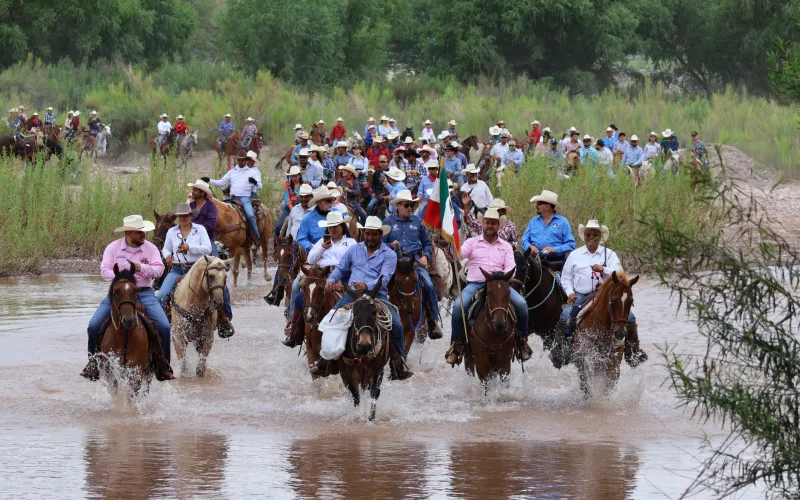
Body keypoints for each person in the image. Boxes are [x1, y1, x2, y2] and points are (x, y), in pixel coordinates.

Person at [83, 215, 174, 381]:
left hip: (144, 292)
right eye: (139, 232)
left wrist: (141, 268)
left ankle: (164, 366)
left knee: (164, 326)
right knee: (94, 325)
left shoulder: (151, 248)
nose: (143, 235)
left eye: (143, 231)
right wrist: (122, 280)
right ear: (129, 233)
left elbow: (159, 270)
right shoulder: (113, 248)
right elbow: (105, 270)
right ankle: (92, 365)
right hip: (119, 293)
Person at [325, 216, 415, 379]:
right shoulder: (354, 250)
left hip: (377, 294)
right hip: (352, 294)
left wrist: (367, 286)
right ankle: (325, 360)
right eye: (367, 234)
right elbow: (341, 268)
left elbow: (385, 278)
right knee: (330, 319)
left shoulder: (389, 254)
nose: (370, 237)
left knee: (397, 325)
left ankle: (398, 362)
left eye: (374, 234)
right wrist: (331, 279)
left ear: (380, 234)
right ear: (363, 233)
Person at [551, 219, 648, 368]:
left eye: (594, 235)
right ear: (584, 236)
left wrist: (604, 269)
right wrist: (570, 293)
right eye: (588, 234)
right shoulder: (575, 255)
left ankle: (633, 351)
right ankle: (561, 350)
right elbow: (566, 278)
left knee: (630, 317)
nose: (591, 237)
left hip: (605, 295)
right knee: (566, 316)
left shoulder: (609, 254)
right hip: (581, 295)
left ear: (599, 237)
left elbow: (620, 274)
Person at [446, 208, 531, 365]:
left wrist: (497, 277)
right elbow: (459, 254)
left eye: (493, 223)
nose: (490, 226)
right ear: (482, 224)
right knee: (458, 306)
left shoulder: (505, 246)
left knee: (522, 304)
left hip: (499, 284)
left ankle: (522, 342)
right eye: (487, 223)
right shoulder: (472, 242)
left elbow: (511, 270)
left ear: (498, 225)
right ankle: (455, 345)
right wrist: (451, 246)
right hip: (475, 284)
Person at [283, 211, 357, 349]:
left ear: (342, 227)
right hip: (320, 276)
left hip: (344, 277)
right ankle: (294, 333)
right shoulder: (322, 241)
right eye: (330, 227)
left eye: (336, 226)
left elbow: (355, 264)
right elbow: (311, 259)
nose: (333, 230)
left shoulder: (351, 242)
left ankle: (352, 337)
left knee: (354, 301)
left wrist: (341, 279)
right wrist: (322, 247)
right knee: (301, 297)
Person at [382, 190, 444, 339]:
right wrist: (391, 245)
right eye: (407, 205)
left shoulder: (418, 222)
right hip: (393, 263)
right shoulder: (387, 223)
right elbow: (381, 244)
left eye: (412, 205)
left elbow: (428, 244)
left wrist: (425, 256)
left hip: (414, 262)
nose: (410, 208)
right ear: (398, 205)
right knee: (380, 285)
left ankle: (432, 321)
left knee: (429, 286)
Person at [187, 179, 234, 336]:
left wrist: (194, 228)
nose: (193, 191)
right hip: (188, 241)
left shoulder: (211, 207)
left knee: (219, 278)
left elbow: (212, 225)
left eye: (195, 190)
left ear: (202, 193)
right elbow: (181, 221)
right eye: (193, 189)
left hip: (207, 242)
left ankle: (224, 317)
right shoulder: (191, 206)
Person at [157, 202, 212, 309]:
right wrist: (167, 256)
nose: (182, 218)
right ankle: (162, 324)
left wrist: (189, 247)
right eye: (180, 216)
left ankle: (224, 320)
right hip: (177, 269)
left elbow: (208, 249)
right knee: (161, 296)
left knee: (220, 291)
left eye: (185, 215)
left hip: (197, 268)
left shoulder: (200, 229)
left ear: (191, 216)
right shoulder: (171, 232)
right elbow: (166, 248)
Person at [203, 151, 261, 242]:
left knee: (250, 215)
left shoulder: (252, 172)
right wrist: (209, 180)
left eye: (242, 160)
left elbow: (260, 186)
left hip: (245, 198)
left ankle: (256, 237)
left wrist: (255, 182)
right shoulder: (232, 172)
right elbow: (221, 182)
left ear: (246, 160)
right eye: (238, 160)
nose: (240, 162)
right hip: (232, 198)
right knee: (217, 211)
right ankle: (216, 236)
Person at [521, 190, 576, 266]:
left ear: (548, 206)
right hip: (535, 262)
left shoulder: (563, 222)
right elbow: (524, 241)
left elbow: (571, 244)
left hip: (556, 263)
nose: (537, 206)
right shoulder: (533, 221)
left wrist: (554, 249)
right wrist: (530, 247)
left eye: (539, 203)